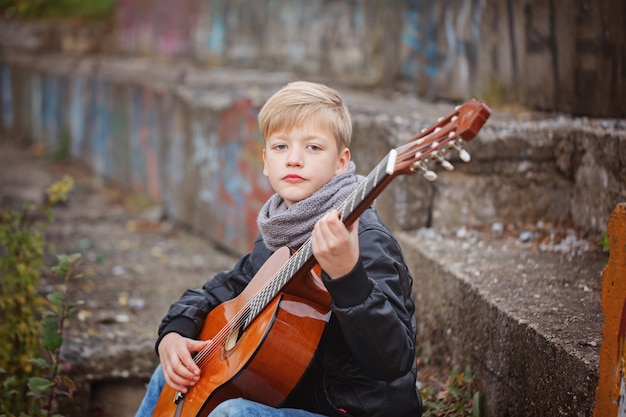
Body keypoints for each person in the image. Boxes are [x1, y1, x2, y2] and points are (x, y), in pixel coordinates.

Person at [135, 81, 422, 417]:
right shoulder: (282, 230)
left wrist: (347, 276)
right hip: (290, 398)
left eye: (313, 148)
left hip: (354, 411)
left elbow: (393, 360)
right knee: (176, 374)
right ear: (266, 161)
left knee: (233, 415)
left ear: (341, 161)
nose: (295, 160)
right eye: (281, 146)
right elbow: (221, 290)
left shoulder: (365, 240)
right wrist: (174, 333)